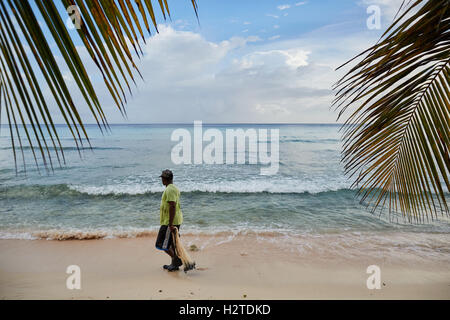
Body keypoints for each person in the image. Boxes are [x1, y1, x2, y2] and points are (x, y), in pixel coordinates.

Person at [155, 169, 183, 271]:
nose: (161, 180)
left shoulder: (170, 190)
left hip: (169, 222)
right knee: (171, 244)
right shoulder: (172, 188)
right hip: (173, 220)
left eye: (162, 178)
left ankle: (176, 260)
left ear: (165, 179)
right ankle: (174, 265)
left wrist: (170, 224)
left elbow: (172, 206)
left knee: (161, 243)